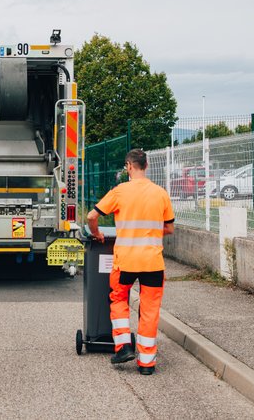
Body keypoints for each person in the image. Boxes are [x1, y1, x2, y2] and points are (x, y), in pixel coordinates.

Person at [86, 148, 174, 375]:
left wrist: (96, 234)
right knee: (150, 309)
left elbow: (91, 216)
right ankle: (146, 363)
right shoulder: (160, 193)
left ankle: (124, 346)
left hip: (125, 261)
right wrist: (150, 231)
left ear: (129, 166)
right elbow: (169, 228)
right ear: (146, 166)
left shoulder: (120, 191)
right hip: (153, 262)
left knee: (118, 298)